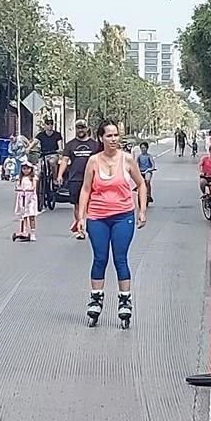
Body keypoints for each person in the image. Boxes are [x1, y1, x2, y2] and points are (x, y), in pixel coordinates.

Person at [77, 121, 148, 326]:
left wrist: (142, 210)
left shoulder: (126, 160)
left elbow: (141, 183)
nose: (114, 139)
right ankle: (96, 299)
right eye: (109, 136)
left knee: (120, 259)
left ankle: (125, 300)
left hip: (122, 216)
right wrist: (81, 217)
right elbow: (86, 189)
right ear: (101, 138)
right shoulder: (93, 161)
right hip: (98, 217)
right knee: (100, 258)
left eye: (116, 135)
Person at [58, 119, 101, 239]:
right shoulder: (70, 144)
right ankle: (80, 229)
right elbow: (65, 160)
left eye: (82, 127)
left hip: (92, 178)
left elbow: (102, 160)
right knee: (77, 205)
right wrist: (60, 174)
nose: (80, 130)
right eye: (78, 128)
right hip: (75, 179)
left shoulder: (95, 145)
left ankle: (91, 227)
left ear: (87, 129)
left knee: (91, 205)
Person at [13, 158, 39, 241]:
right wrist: (19, 188)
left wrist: (31, 189)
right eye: (24, 169)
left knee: (31, 215)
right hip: (22, 197)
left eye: (28, 168)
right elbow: (18, 185)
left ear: (31, 169)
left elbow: (34, 186)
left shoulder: (33, 177)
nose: (26, 170)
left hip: (31, 198)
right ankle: (24, 231)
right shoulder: (20, 178)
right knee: (24, 215)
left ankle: (32, 233)